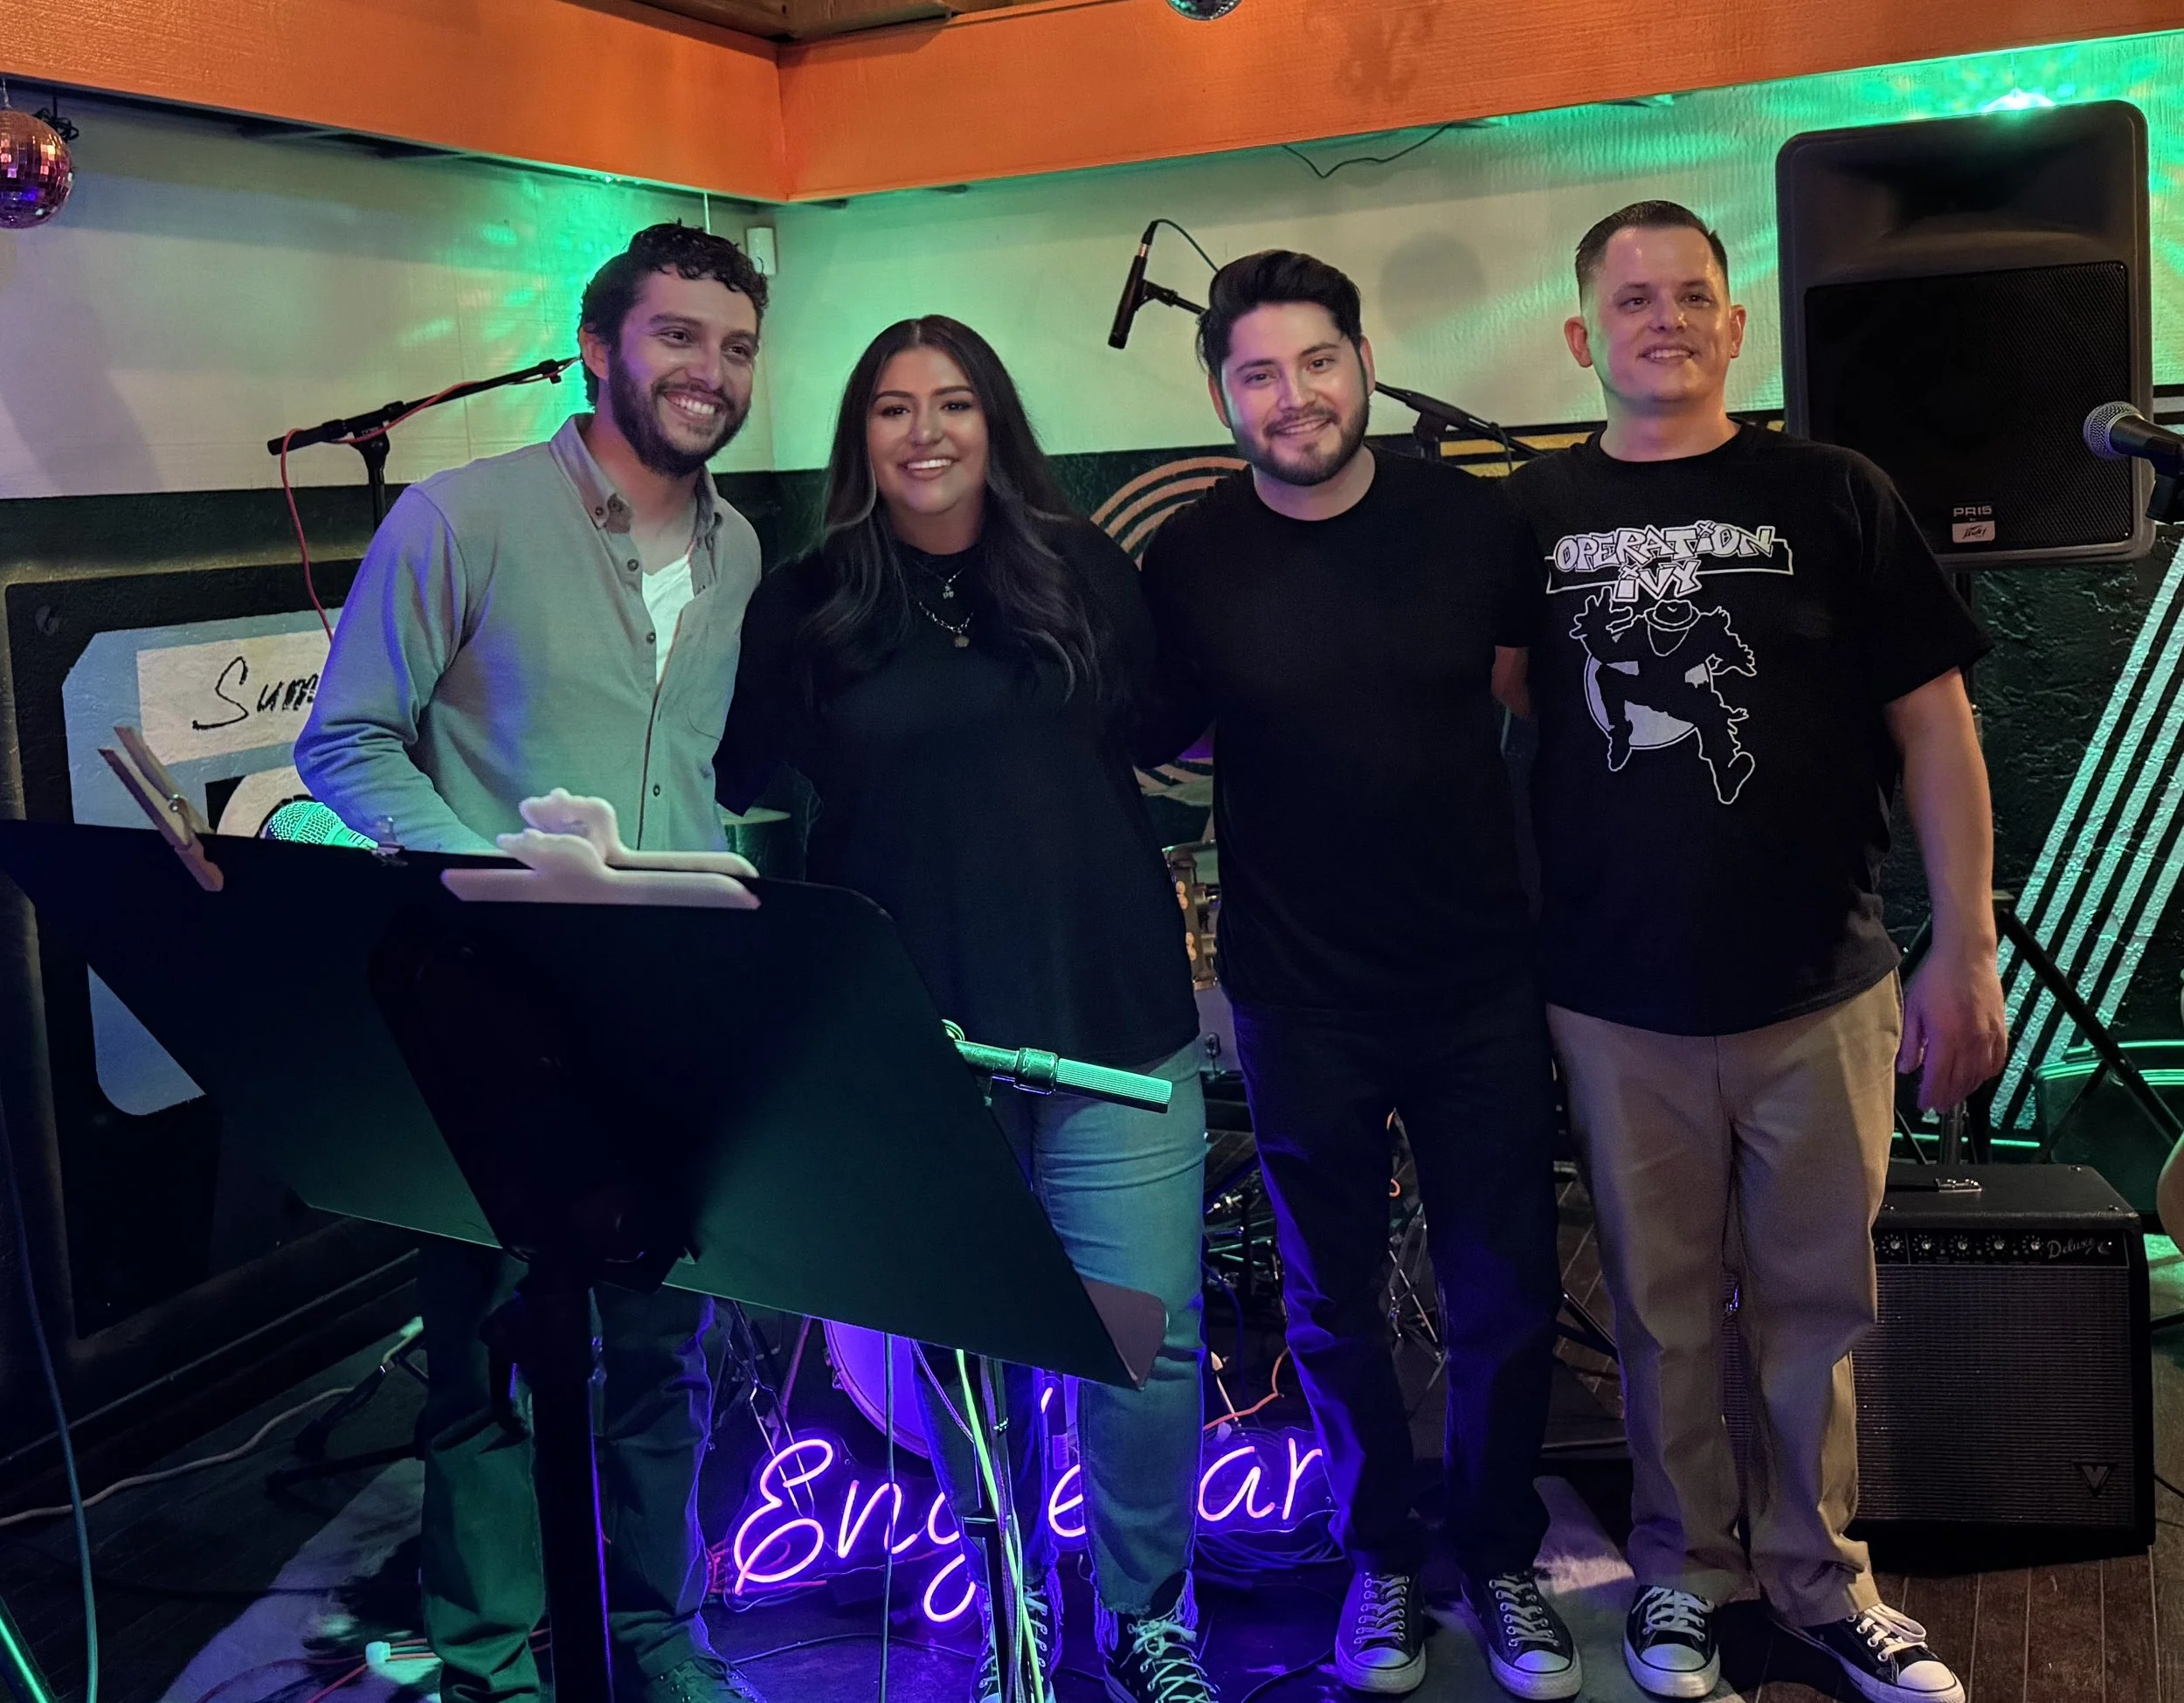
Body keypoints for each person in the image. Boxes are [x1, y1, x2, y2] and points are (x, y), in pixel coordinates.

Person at [1500, 200, 2007, 1703]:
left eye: (1691, 297)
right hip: (1614, 999)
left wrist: (1965, 943)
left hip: (1822, 987)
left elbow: (1938, 727)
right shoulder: (1527, 517)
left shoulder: (1836, 493)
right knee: (1657, 1316)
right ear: (1582, 337)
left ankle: (1821, 1580)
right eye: (1632, 299)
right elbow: (1491, 712)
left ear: (1735, 327)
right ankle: (1684, 1574)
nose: (1664, 320)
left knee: (1816, 1310)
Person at [294, 224, 772, 1703]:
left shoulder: (744, 547)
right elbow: (345, 740)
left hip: (670, 1016)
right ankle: (491, 1664)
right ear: (600, 346)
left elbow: (693, 775)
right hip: (491, 1017)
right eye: (678, 336)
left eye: (737, 347)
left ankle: (653, 1634)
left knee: (662, 1354)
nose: (710, 371)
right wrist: (495, 886)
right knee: (487, 1369)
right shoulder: (461, 515)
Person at [715, 316, 1217, 1703]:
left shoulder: (1080, 568)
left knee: (1142, 1338)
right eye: (893, 407)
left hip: (1112, 1014)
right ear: (860, 438)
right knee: (961, 1351)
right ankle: (1014, 1613)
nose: (925, 431)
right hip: (919, 1042)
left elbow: (1163, 731)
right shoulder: (807, 603)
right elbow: (733, 781)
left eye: (952, 403)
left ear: (995, 422)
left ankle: (1145, 1617)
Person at [1137, 252, 1577, 1702]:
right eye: (1258, 374)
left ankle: (1498, 1556)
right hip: (1296, 992)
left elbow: (1521, 692)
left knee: (1505, 1285)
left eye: (1316, 362)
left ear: (1365, 362)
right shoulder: (1191, 557)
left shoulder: (1472, 522)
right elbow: (1169, 732)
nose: (1294, 397)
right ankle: (1379, 1555)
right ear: (1221, 393)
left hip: (1476, 975)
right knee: (1328, 1305)